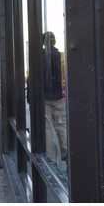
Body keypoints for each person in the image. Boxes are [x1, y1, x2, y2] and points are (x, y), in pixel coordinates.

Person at [43, 31, 67, 164]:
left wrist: (31, 97)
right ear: (55, 41)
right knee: (61, 125)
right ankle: (66, 151)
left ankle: (51, 159)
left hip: (45, 97)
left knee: (47, 128)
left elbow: (32, 78)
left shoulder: (39, 56)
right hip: (59, 96)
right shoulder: (61, 56)